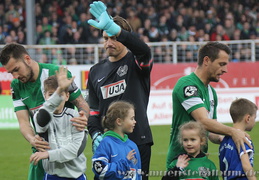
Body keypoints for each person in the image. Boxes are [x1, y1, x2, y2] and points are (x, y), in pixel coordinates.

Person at [0, 43, 89, 180]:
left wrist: (83, 116)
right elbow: (23, 122)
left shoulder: (57, 73)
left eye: (16, 69)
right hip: (40, 154)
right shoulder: (16, 86)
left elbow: (82, 104)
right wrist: (32, 140)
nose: (15, 76)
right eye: (11, 73)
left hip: (66, 159)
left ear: (27, 59)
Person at [86, 1, 153, 179]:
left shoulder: (136, 62)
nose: (109, 42)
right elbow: (93, 111)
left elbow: (144, 50)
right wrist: (95, 134)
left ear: (123, 38)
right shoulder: (95, 71)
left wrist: (114, 28)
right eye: (106, 38)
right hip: (109, 144)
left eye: (114, 37)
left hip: (138, 140)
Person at [166, 41, 252, 169]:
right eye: (221, 64)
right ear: (206, 60)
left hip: (201, 162)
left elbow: (211, 131)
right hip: (180, 161)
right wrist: (233, 132)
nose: (225, 70)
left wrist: (224, 139)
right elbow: (203, 121)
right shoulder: (187, 85)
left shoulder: (211, 92)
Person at [30, 67, 87, 180]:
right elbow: (43, 116)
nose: (55, 98)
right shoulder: (40, 116)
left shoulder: (75, 117)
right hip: (52, 176)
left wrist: (49, 154)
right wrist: (59, 90)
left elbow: (75, 149)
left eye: (60, 94)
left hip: (76, 176)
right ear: (45, 96)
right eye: (51, 94)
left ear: (67, 96)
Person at [92, 100, 141, 180]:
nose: (135, 122)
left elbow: (138, 174)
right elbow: (101, 171)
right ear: (119, 121)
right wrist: (124, 163)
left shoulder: (133, 146)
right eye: (132, 119)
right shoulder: (106, 143)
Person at [219, 98, 257, 180]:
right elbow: (246, 166)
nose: (255, 121)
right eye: (255, 118)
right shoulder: (242, 138)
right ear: (248, 118)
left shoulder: (224, 141)